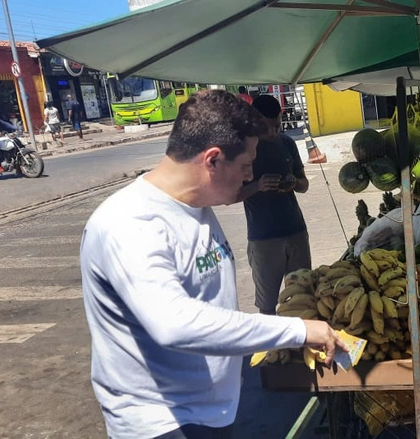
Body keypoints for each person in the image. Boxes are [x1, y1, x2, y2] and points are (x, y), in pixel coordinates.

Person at [79, 90, 347, 439]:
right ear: (213, 160)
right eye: (246, 165)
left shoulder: (197, 208)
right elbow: (174, 324)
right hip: (164, 424)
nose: (249, 176)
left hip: (209, 412)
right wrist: (297, 330)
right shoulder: (131, 224)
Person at [236, 94, 310, 315]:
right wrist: (258, 186)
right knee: (267, 305)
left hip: (296, 231)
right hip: (263, 239)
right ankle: (274, 350)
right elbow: (231, 195)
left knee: (304, 297)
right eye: (268, 128)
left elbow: (304, 184)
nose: (274, 132)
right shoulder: (243, 150)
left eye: (278, 125)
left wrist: (294, 183)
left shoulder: (287, 143)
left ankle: (301, 346)